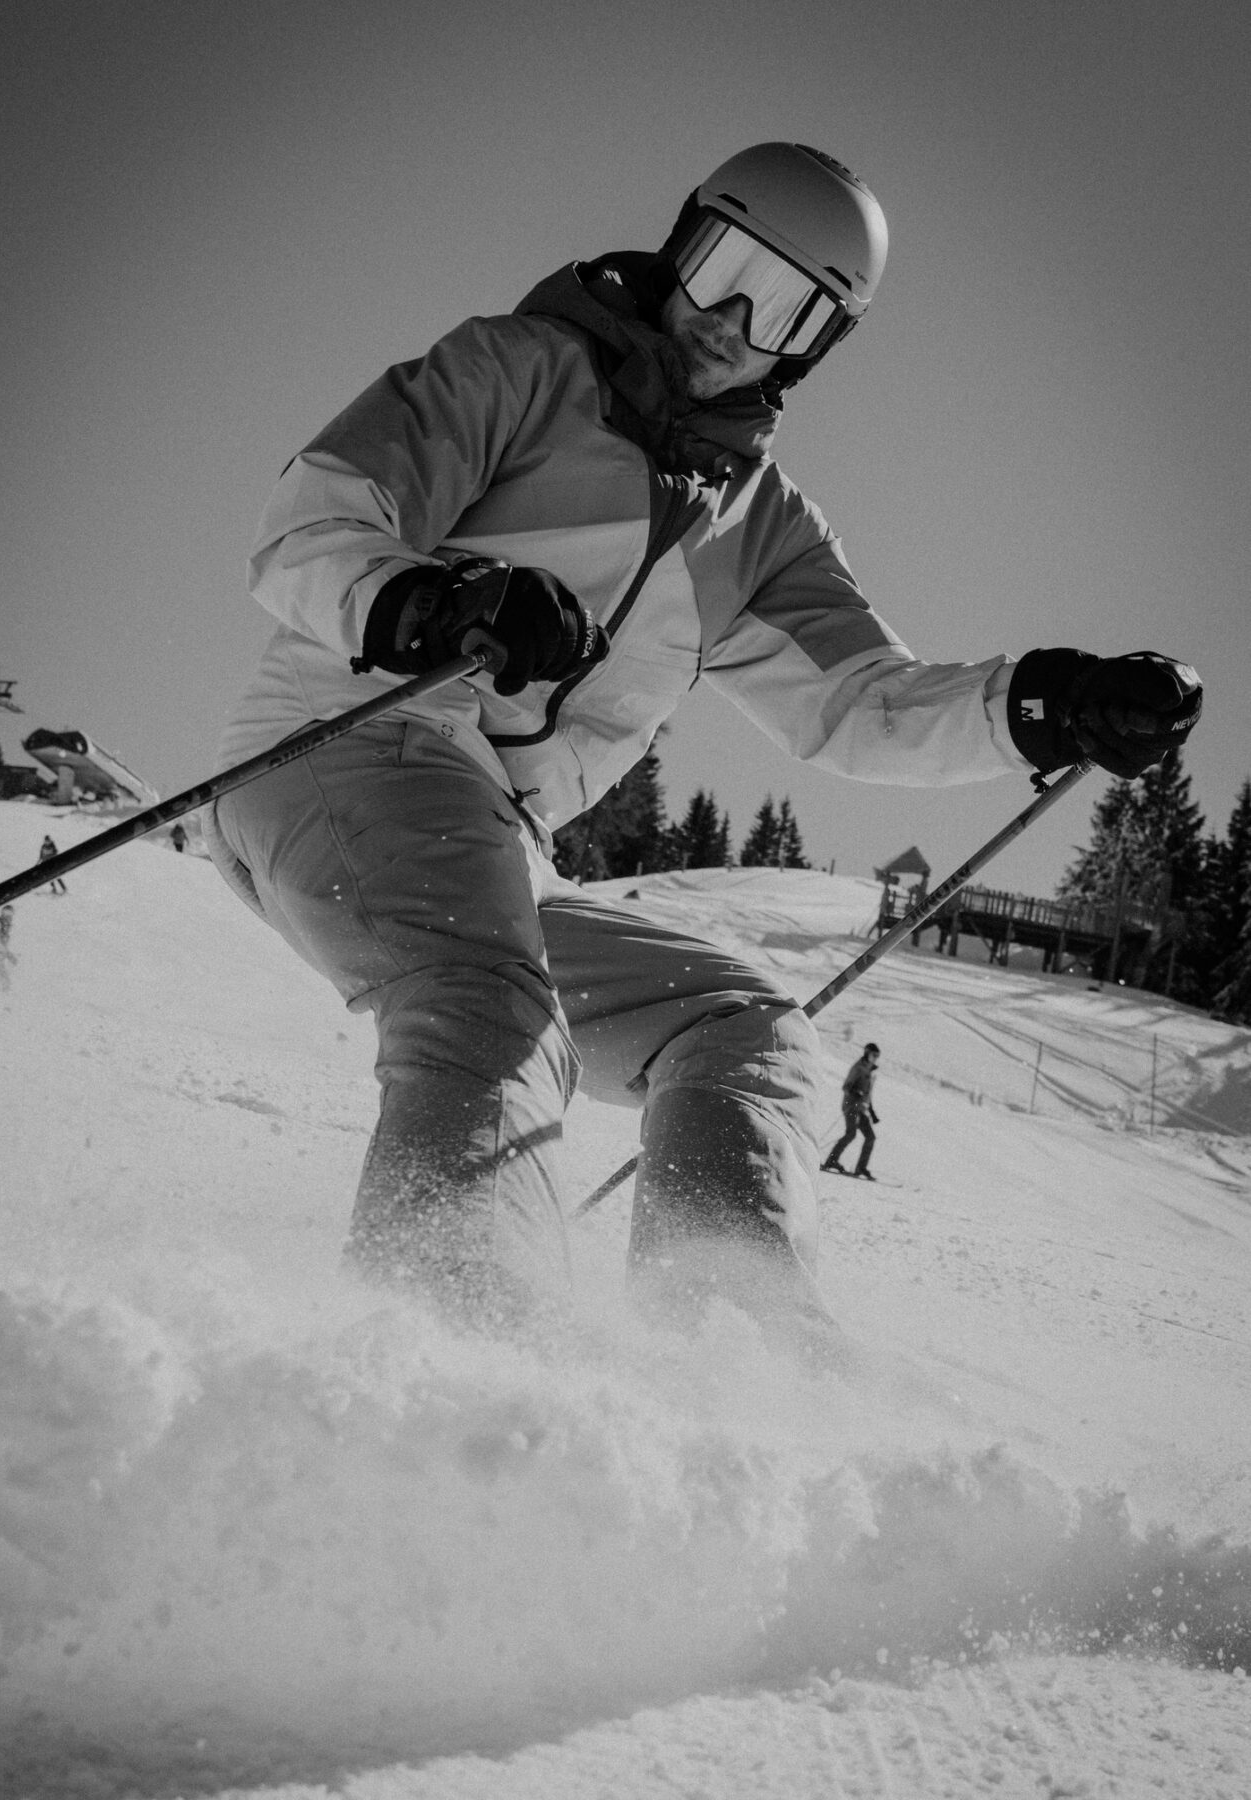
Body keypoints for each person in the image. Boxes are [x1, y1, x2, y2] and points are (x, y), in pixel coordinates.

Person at [204, 142, 1201, 1338]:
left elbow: (861, 705)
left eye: (783, 307)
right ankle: (444, 1356)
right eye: (724, 266)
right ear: (681, 242)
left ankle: (728, 1359)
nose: (731, 317)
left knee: (747, 1030)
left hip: (494, 844)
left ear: (817, 345)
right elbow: (315, 516)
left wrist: (1043, 700)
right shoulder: (518, 370)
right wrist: (428, 602)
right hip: (345, 745)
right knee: (491, 1005)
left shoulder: (759, 530)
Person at [822, 1043, 881, 1179]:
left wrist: (872, 1113)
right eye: (874, 1055)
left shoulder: (869, 1071)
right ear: (867, 1053)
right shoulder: (858, 1068)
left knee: (870, 1137)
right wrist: (856, 1093)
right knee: (851, 1134)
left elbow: (867, 1094)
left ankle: (861, 1168)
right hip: (850, 1105)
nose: (876, 1058)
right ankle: (831, 1160)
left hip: (861, 1109)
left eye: (877, 1056)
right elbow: (846, 1087)